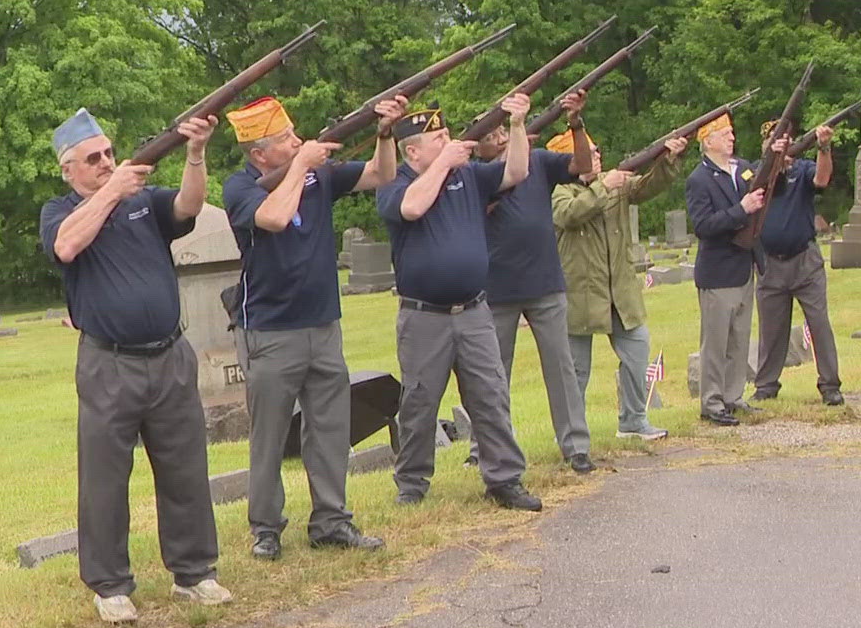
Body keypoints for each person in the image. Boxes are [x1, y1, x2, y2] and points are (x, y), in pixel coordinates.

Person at [39, 108, 230, 623]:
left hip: (169, 355)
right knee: (104, 479)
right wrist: (111, 192)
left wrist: (194, 152)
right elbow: (66, 245)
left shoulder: (145, 203)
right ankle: (110, 585)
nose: (105, 163)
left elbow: (191, 205)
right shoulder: (60, 211)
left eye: (108, 153)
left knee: (186, 469)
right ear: (69, 170)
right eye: (93, 159)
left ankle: (194, 573)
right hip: (109, 364)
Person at [221, 95, 399, 560]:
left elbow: (383, 175)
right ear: (259, 155)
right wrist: (302, 164)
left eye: (295, 135)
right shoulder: (240, 188)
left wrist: (383, 134)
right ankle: (266, 528)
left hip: (323, 324)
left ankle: (332, 521)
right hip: (271, 330)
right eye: (285, 139)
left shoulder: (315, 172)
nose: (297, 141)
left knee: (330, 429)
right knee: (270, 436)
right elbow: (276, 217)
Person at [376, 96, 540, 510]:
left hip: (473, 310)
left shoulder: (469, 176)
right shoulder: (396, 185)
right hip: (423, 316)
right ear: (412, 150)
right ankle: (412, 483)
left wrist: (517, 125)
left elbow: (517, 170)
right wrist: (445, 164)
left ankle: (504, 478)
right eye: (438, 137)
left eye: (448, 134)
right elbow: (412, 208)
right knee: (419, 401)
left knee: (491, 395)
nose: (450, 141)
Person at [549, 93, 689, 441]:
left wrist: (667, 160)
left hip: (619, 290)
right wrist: (603, 186)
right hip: (581, 293)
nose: (596, 155)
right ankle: (573, 435)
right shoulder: (557, 191)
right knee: (577, 371)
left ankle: (633, 420)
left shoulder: (614, 183)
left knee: (637, 352)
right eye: (589, 151)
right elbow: (569, 215)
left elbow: (645, 187)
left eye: (595, 151)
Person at [473, 89, 594, 473]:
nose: (499, 138)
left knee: (561, 368)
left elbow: (583, 166)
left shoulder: (539, 161)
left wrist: (574, 122)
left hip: (545, 282)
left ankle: (576, 444)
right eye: (490, 136)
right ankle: (485, 447)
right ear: (477, 148)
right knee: (493, 376)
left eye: (501, 132)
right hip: (498, 288)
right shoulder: (476, 176)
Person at [752, 120, 844, 406]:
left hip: (805, 260)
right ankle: (766, 385)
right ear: (766, 144)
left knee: (819, 324)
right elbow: (756, 187)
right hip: (770, 262)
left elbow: (822, 179)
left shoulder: (802, 168)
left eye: (787, 139)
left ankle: (830, 386)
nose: (784, 143)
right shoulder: (758, 172)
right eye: (776, 140)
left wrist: (824, 147)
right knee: (771, 330)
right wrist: (773, 161)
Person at [684, 112, 766, 426]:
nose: (732, 137)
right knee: (715, 343)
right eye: (725, 133)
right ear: (709, 141)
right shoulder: (699, 180)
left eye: (732, 132)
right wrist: (740, 210)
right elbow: (704, 226)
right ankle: (712, 402)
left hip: (744, 266)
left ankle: (733, 396)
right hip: (718, 271)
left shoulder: (743, 169)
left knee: (739, 338)